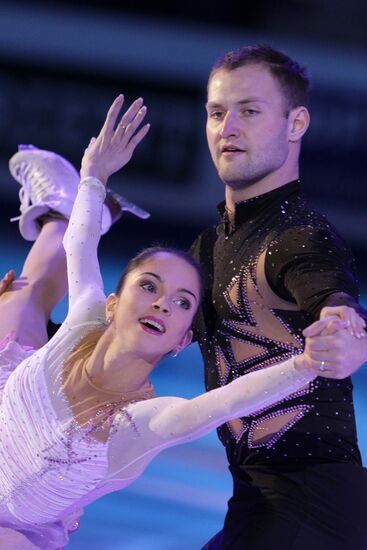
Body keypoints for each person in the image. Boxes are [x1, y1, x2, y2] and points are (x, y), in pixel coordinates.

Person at [0, 95, 351, 550]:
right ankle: (67, 205)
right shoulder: (84, 321)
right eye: (149, 286)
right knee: (18, 300)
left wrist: (308, 364)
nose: (163, 303)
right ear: (112, 303)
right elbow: (80, 249)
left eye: (182, 302)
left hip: (16, 527)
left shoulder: (139, 425)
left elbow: (225, 402)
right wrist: (94, 175)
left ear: (183, 339)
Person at [190, 44, 367, 549]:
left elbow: (332, 295)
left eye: (249, 111)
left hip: (312, 511)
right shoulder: (207, 247)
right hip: (259, 507)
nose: (228, 128)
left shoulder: (297, 236)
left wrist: (349, 334)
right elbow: (132, 345)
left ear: (296, 123)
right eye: (217, 112)